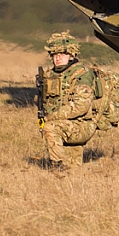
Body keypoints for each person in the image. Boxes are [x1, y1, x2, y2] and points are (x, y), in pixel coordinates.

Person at [38, 32, 98, 172]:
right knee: (74, 169)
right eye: (54, 55)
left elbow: (81, 106)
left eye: (62, 54)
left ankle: (57, 167)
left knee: (51, 127)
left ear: (72, 55)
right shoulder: (51, 75)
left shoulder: (81, 74)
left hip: (83, 125)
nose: (58, 58)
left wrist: (51, 117)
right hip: (67, 124)